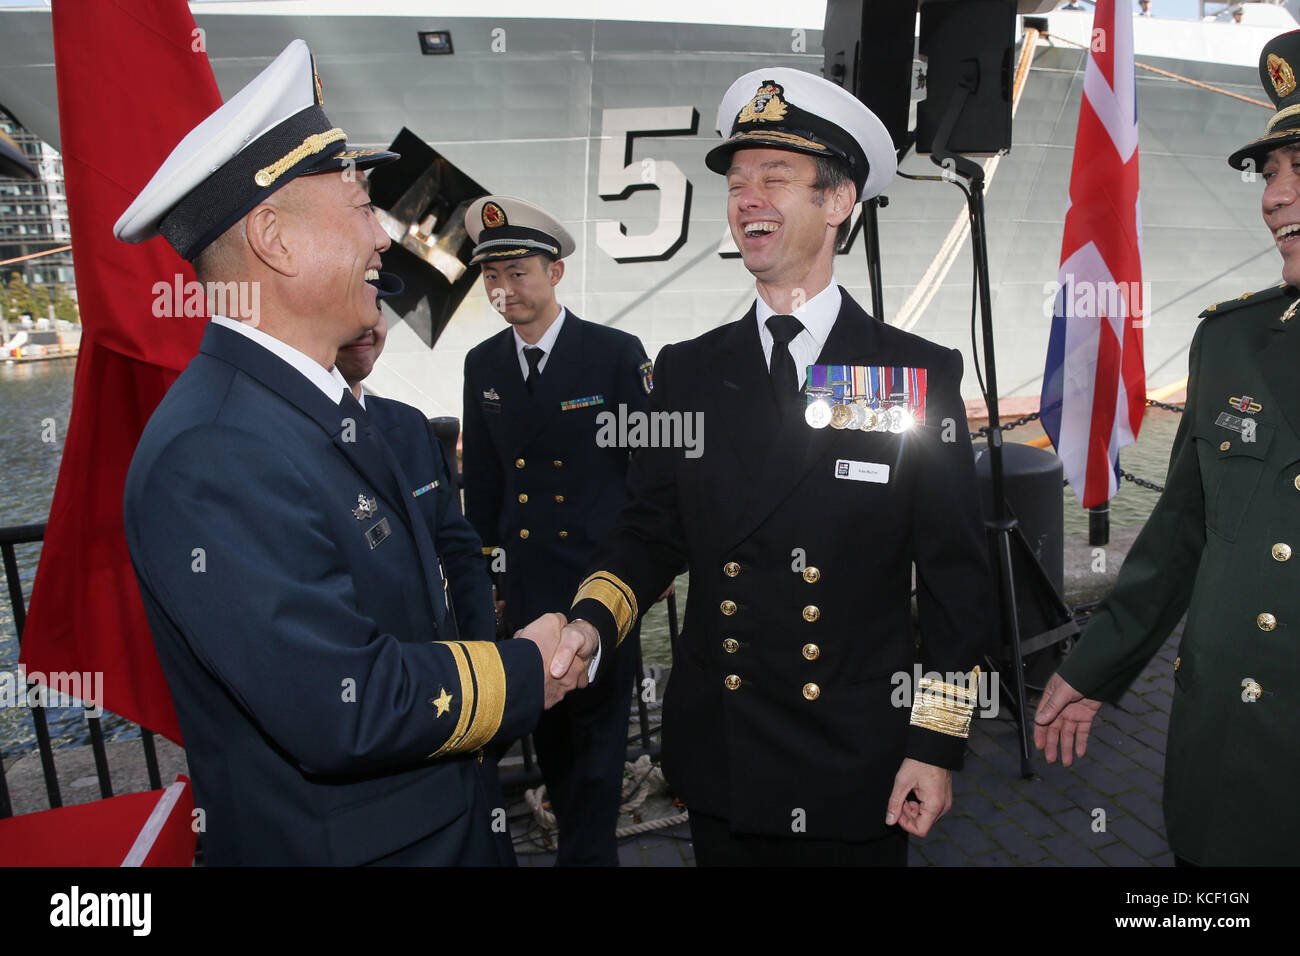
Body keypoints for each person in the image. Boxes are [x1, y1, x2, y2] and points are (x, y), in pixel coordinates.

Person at [116, 39, 582, 866]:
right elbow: (344, 707)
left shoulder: (305, 409)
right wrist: (524, 669)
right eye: (361, 204)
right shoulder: (213, 451)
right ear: (274, 240)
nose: (384, 235)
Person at [552, 68, 993, 866]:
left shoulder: (910, 375)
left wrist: (936, 744)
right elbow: (650, 530)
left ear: (836, 201)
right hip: (725, 752)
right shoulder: (686, 371)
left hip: (856, 760)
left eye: (775, 178)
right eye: (738, 181)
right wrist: (590, 624)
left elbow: (958, 581)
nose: (746, 198)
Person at [1034, 29, 1300, 868]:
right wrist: (1095, 668)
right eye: (1271, 172)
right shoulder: (1232, 344)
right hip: (1229, 766)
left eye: (1299, 169)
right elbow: (1184, 529)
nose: (1275, 198)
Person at [460, 196, 653, 865]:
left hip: (601, 589)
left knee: (601, 759)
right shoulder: (483, 366)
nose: (502, 289)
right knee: (556, 751)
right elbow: (482, 489)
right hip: (530, 591)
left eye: (517, 272)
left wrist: (638, 575)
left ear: (556, 272)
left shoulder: (614, 356)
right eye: (492, 276)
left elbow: (649, 474)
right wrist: (485, 585)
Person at [336, 313, 495, 644]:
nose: (366, 323)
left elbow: (459, 551)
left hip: (437, 667)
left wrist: (482, 659)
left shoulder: (408, 425)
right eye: (349, 304)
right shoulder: (290, 436)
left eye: (375, 306)